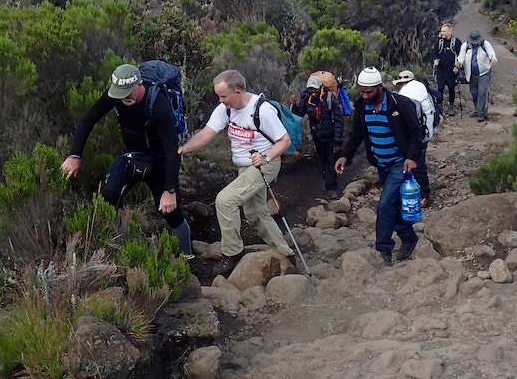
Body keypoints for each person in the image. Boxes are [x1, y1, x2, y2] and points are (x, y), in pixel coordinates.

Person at [60, 63, 193, 257]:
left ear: (140, 84)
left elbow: (172, 150)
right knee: (108, 196)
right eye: (120, 93)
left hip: (160, 159)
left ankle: (187, 258)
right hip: (132, 154)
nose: (124, 97)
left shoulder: (158, 103)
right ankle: (124, 240)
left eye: (128, 92)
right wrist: (74, 156)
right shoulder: (115, 95)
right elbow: (88, 119)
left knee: (169, 210)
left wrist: (169, 190)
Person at [177, 70, 296, 276]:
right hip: (244, 167)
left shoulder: (262, 110)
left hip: (264, 165)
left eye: (223, 96)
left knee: (225, 200)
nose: (220, 100)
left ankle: (232, 252)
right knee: (255, 212)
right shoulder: (226, 109)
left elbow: (284, 141)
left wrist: (266, 157)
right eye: (218, 96)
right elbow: (206, 134)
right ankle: (286, 252)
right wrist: (182, 149)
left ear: (238, 92)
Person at [334, 67, 424, 267]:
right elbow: (356, 135)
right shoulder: (362, 107)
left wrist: (410, 158)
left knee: (384, 205)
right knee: (393, 204)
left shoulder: (399, 105)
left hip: (400, 163)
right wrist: (344, 157)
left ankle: (383, 249)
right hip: (381, 163)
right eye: (361, 91)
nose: (365, 95)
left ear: (380, 87)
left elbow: (416, 134)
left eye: (369, 92)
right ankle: (408, 237)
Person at [291, 75, 344, 198]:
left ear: (321, 88)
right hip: (317, 136)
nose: (312, 92)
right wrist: (293, 105)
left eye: (315, 89)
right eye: (310, 89)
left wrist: (338, 141)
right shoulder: (307, 99)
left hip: (331, 136)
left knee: (331, 160)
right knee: (323, 158)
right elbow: (298, 114)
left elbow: (338, 120)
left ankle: (332, 188)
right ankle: (327, 179)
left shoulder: (330, 99)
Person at [392, 70, 433, 209]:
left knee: (415, 163)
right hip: (425, 133)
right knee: (419, 163)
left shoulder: (404, 96)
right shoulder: (422, 89)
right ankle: (422, 194)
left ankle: (422, 195)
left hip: (412, 136)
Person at [454, 31, 497, 122]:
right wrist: (458, 64)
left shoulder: (485, 44)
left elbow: (491, 54)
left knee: (482, 92)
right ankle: (478, 110)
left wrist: (492, 59)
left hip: (484, 72)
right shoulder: (465, 46)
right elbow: (461, 57)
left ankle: (480, 113)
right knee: (474, 92)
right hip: (471, 74)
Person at [432, 23, 463, 116]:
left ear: (450, 31)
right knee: (440, 88)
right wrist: (435, 60)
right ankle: (439, 105)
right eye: (441, 31)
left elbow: (461, 56)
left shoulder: (456, 42)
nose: (442, 33)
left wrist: (458, 67)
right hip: (441, 69)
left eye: (444, 31)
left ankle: (451, 105)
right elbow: (434, 53)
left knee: (451, 87)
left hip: (451, 70)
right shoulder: (439, 42)